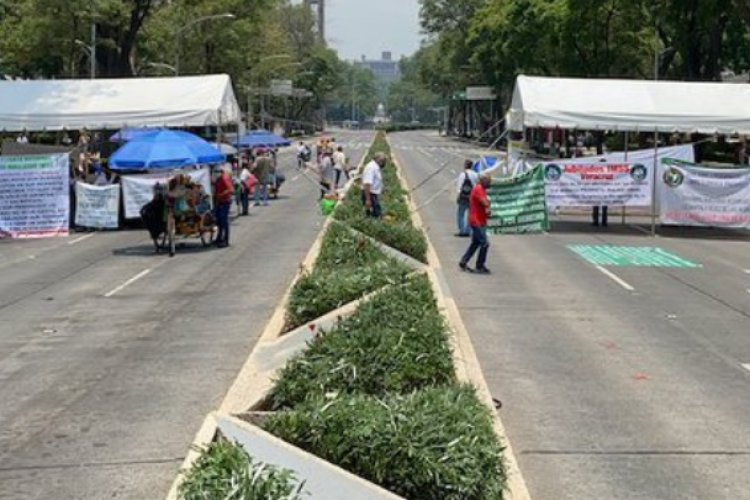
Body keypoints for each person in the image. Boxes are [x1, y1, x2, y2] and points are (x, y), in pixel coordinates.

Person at [459, 174, 492, 274]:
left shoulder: (481, 189)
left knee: (476, 243)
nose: (490, 184)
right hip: (476, 221)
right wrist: (488, 206)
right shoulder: (478, 189)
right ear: (483, 181)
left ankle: (464, 261)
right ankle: (479, 265)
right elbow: (484, 202)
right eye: (489, 182)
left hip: (480, 221)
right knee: (485, 244)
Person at [455, 159, 479, 237]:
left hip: (464, 197)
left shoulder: (462, 174)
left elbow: (459, 187)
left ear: (465, 165)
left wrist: (458, 196)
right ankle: (468, 230)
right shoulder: (475, 174)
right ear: (471, 166)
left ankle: (462, 230)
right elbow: (477, 186)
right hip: (472, 197)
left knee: (461, 214)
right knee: (471, 214)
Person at [362, 152, 388, 218]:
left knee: (376, 213)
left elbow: (375, 181)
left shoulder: (375, 167)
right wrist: (368, 200)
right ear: (380, 161)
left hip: (373, 195)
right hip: (370, 195)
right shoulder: (371, 167)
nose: (384, 164)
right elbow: (367, 184)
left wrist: (382, 188)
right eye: (384, 161)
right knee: (375, 215)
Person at [214, 165, 234, 248]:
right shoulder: (218, 179)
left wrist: (221, 194)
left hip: (225, 201)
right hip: (219, 201)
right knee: (218, 220)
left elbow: (231, 189)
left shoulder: (224, 178)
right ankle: (219, 237)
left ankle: (225, 240)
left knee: (224, 220)